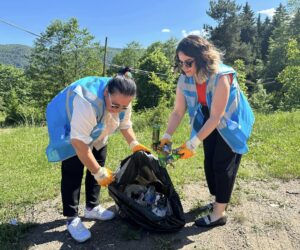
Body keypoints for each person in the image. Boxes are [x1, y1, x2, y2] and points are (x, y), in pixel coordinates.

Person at [159, 35, 255, 227]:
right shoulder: (184, 79)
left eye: (188, 62)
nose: (184, 68)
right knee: (210, 161)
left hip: (230, 120)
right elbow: (178, 112)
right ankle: (219, 199)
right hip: (208, 118)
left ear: (202, 58)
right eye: (181, 63)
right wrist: (167, 136)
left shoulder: (221, 76)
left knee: (222, 164)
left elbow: (217, 117)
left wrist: (192, 143)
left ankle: (219, 214)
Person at [45, 73, 150, 242]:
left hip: (99, 126)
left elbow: (125, 124)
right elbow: (79, 142)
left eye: (123, 107)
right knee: (73, 171)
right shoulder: (87, 100)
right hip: (70, 126)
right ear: (106, 92)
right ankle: (72, 218)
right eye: (115, 105)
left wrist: (134, 144)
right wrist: (99, 173)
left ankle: (91, 207)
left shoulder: (123, 100)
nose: (118, 109)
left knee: (98, 160)